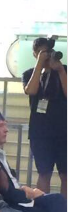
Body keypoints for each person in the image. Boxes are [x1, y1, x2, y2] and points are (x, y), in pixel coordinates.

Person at [23, 37, 67, 197]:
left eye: (48, 52)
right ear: (35, 53)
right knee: (44, 172)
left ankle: (66, 208)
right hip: (40, 131)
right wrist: (39, 65)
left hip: (64, 129)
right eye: (42, 52)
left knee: (67, 174)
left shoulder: (65, 70)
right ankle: (43, 207)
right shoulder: (29, 73)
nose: (47, 56)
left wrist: (60, 71)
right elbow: (31, 90)